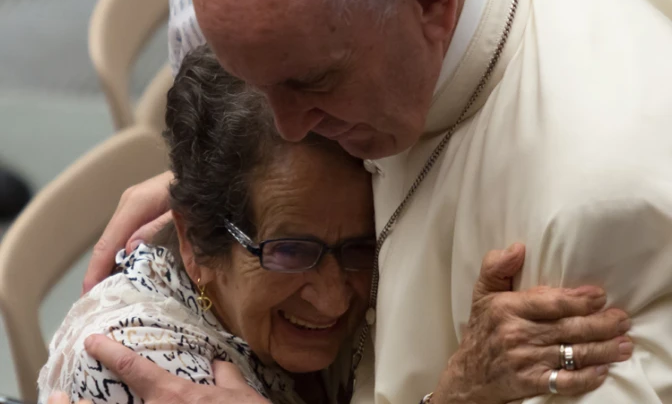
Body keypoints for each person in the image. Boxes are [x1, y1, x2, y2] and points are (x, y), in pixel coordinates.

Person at [82, 0, 672, 402]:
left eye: (311, 83)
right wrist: (223, 170)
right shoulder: (389, 40)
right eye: (258, 86)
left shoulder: (597, 206)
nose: (288, 130)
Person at [42, 47, 630, 404]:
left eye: (356, 247)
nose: (331, 300)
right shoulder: (145, 370)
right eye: (290, 251)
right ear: (196, 242)